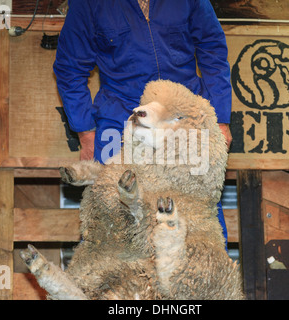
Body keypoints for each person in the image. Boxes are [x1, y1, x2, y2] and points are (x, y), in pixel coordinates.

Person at [54, 0, 232, 248]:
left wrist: (220, 119)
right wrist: (86, 134)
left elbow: (213, 50)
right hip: (121, 118)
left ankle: (204, 278)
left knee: (197, 209)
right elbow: (69, 68)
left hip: (181, 119)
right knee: (111, 212)